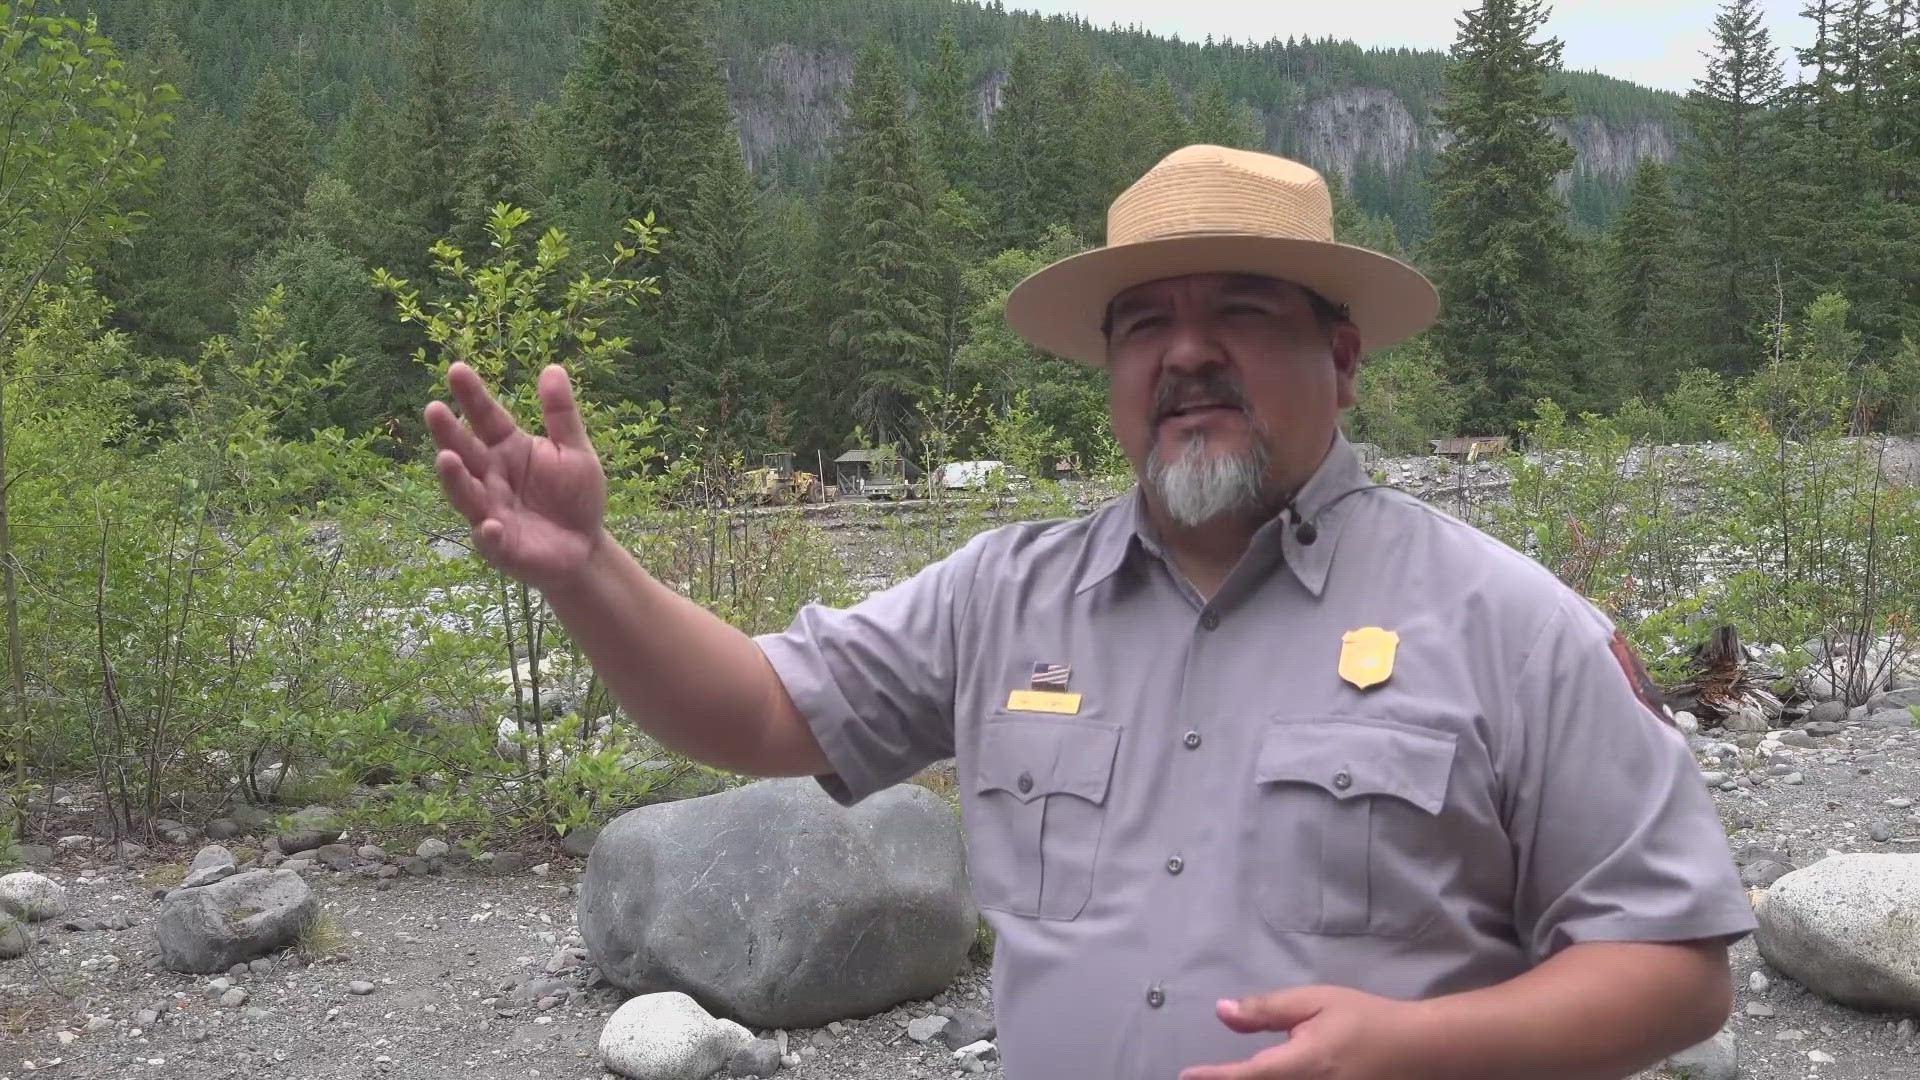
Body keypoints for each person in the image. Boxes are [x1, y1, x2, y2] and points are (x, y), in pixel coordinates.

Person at [424, 144, 1757, 1080]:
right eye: (1143, 325)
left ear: (1342, 358)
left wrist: (1421, 1050)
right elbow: (759, 711)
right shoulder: (1003, 596)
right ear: (1114, 373)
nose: (1185, 351)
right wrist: (584, 570)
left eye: (1239, 306)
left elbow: (1678, 965)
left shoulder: (1507, 623)